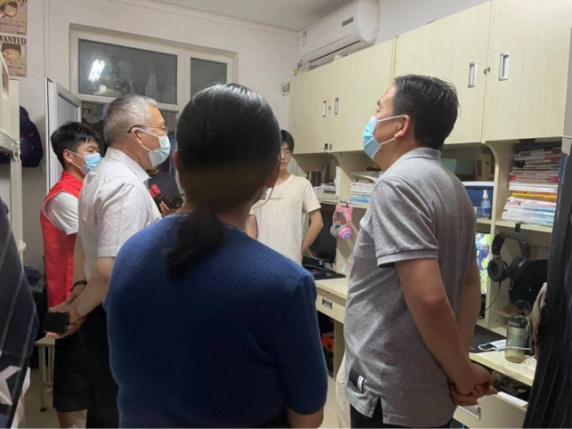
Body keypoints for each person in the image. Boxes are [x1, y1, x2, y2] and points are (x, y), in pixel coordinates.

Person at [105, 84, 328, 429]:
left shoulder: (130, 255)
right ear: (271, 174)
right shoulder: (284, 284)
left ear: (177, 162)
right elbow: (307, 418)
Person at [344, 75, 496, 429]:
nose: (372, 120)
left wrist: (462, 374)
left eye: (379, 110)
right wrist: (458, 365)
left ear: (400, 125)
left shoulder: (398, 183)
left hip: (391, 393)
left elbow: (428, 298)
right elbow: (469, 284)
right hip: (429, 390)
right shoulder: (454, 187)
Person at [50, 94, 166, 428]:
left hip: (106, 310)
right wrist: (78, 309)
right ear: (137, 135)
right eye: (161, 129)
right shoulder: (124, 186)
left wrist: (80, 287)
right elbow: (110, 268)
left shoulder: (100, 174)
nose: (165, 136)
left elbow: (86, 241)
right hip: (121, 317)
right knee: (120, 411)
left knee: (106, 405)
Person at [40, 122, 102, 429]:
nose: (96, 156)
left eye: (98, 150)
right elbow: (94, 240)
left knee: (88, 371)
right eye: (90, 150)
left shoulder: (86, 189)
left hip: (89, 292)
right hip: (71, 297)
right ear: (68, 155)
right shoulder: (64, 196)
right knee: (71, 374)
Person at [246, 130, 324, 264]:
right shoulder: (258, 186)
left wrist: (300, 249)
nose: (283, 157)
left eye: (287, 151)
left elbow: (318, 222)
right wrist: (250, 256)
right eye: (278, 151)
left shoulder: (301, 184)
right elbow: (251, 226)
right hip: (261, 261)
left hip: (290, 262)